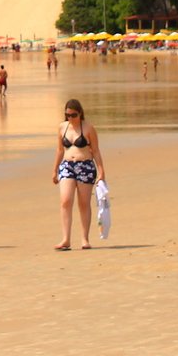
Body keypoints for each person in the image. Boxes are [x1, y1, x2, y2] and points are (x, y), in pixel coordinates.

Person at [52, 97, 107, 250]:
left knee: (83, 203)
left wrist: (102, 171)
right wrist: (55, 169)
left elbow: (95, 150)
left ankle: (84, 239)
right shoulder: (62, 127)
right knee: (65, 200)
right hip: (67, 166)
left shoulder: (88, 128)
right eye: (68, 115)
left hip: (85, 166)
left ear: (80, 113)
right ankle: (66, 239)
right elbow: (59, 150)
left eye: (74, 115)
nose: (71, 118)